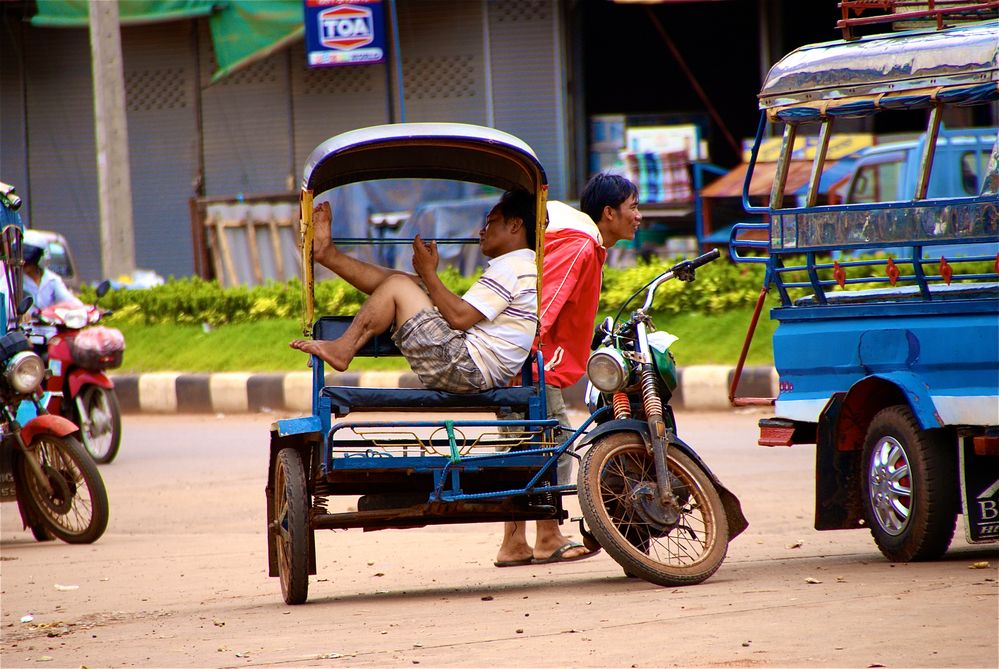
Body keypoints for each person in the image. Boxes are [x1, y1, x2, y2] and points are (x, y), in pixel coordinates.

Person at [494, 172, 642, 567]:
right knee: (553, 445)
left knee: (520, 448)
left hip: (525, 361)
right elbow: (545, 304)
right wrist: (523, 359)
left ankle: (513, 544)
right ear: (608, 213)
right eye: (633, 207)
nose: (638, 216)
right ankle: (548, 537)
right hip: (534, 365)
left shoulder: (579, 241)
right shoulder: (579, 243)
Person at [291, 189, 538, 393]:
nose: (483, 230)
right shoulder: (520, 266)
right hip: (469, 366)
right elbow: (462, 315)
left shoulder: (512, 267)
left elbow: (460, 318)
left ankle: (344, 348)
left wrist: (430, 274)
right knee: (407, 283)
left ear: (515, 226)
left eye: (491, 222)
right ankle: (329, 255)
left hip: (466, 367)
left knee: (399, 286)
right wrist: (426, 279)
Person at [22, 243, 82, 311]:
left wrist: (53, 309)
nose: (24, 264)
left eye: (29, 262)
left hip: (47, 320)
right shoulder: (14, 280)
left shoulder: (52, 279)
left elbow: (69, 301)